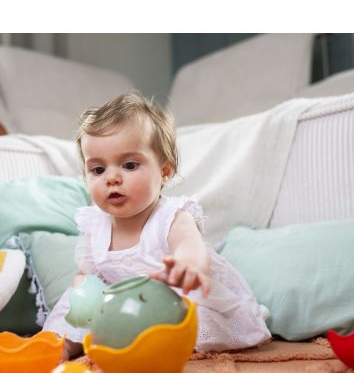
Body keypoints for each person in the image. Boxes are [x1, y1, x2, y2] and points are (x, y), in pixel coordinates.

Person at [43, 92, 271, 359]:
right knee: (71, 302)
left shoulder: (171, 216)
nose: (112, 178)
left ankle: (157, 343)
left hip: (174, 297)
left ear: (164, 171)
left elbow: (190, 247)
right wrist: (83, 293)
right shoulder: (95, 225)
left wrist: (187, 266)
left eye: (129, 165)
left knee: (184, 314)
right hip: (123, 306)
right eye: (98, 170)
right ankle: (58, 346)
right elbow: (86, 273)